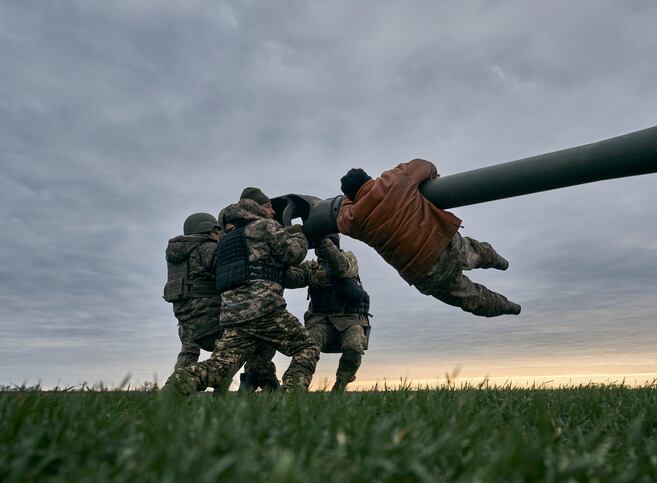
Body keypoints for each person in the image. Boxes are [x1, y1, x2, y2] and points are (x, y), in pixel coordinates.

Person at [162, 188, 319, 397]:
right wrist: (299, 234)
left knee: (220, 365)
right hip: (265, 310)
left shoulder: (227, 240)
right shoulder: (265, 227)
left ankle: (180, 382)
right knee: (306, 348)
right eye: (269, 207)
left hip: (231, 317)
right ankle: (290, 398)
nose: (273, 211)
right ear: (258, 208)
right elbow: (294, 254)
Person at [337, 159, 521, 317]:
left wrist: (347, 199)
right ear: (369, 178)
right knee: (478, 251)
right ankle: (501, 262)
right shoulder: (394, 178)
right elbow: (426, 165)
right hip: (445, 244)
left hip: (426, 273)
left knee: (474, 299)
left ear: (351, 196)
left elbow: (341, 219)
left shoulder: (353, 219)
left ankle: (511, 308)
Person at [285, 234, 371, 392]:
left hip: (349, 318)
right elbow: (292, 279)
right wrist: (285, 256)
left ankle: (341, 383)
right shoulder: (311, 267)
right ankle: (293, 390)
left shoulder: (348, 258)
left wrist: (322, 239)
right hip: (321, 319)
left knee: (354, 347)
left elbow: (341, 268)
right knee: (307, 349)